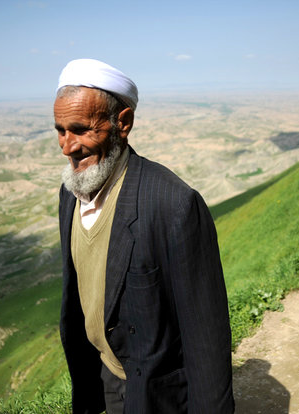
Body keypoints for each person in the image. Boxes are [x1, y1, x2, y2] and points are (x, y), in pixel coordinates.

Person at [54, 59, 235, 413]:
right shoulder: (69, 195)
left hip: (153, 393)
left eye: (80, 129)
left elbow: (206, 338)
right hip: (100, 376)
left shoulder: (173, 205)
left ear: (122, 123)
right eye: (60, 130)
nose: (67, 147)